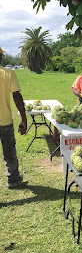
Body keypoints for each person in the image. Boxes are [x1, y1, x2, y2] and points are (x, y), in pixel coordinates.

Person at [0, 47, 27, 188]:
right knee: (9, 150)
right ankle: (13, 179)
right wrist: (24, 118)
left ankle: (14, 178)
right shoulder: (9, 73)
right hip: (4, 121)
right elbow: (16, 96)